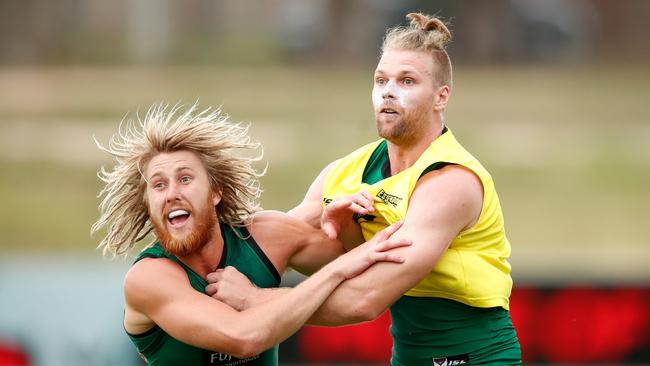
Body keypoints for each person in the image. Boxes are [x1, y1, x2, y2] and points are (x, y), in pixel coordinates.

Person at [206, 13, 522, 365]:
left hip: (474, 357)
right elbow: (275, 241)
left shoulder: (451, 182)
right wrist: (188, 266)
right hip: (408, 356)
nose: (388, 91)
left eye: (407, 81)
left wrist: (256, 301)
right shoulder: (345, 173)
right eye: (381, 80)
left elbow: (365, 300)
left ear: (440, 97)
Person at [91, 102, 411, 366]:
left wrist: (348, 228)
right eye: (158, 185)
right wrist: (257, 297)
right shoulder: (149, 278)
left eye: (185, 178)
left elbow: (366, 285)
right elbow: (243, 338)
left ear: (215, 192)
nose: (171, 193)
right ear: (149, 204)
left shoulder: (266, 237)